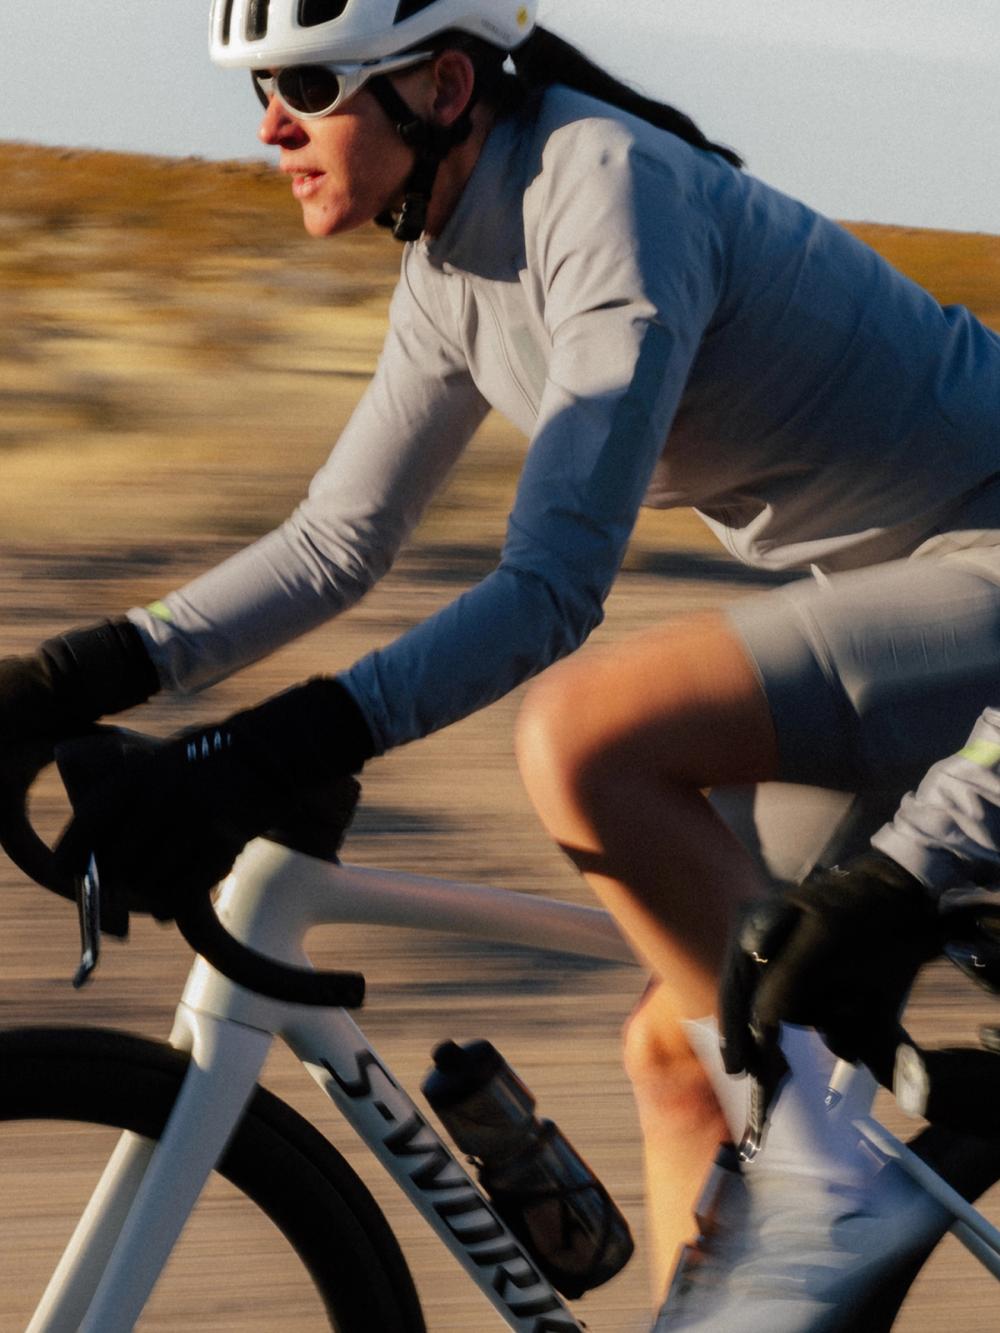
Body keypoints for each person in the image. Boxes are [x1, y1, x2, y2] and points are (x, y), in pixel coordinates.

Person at [1, 0, 998, 1326]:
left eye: (309, 87)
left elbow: (550, 590)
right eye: (262, 91)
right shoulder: (454, 267)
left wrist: (264, 746)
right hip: (892, 610)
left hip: (984, 569)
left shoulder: (607, 190)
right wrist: (70, 674)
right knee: (682, 1059)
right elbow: (337, 542)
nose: (271, 126)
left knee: (586, 740)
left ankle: (819, 1185)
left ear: (445, 86)